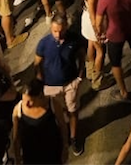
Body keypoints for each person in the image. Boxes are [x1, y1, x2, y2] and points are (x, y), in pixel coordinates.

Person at [33, 15, 85, 157]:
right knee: (57, 115)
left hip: (70, 84)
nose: (58, 34)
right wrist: (40, 83)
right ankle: (63, 139)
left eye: (61, 31)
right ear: (51, 28)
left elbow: (82, 56)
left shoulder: (74, 39)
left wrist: (79, 77)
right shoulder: (43, 44)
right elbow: (37, 64)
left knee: (72, 110)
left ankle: (73, 138)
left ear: (66, 27)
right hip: (50, 87)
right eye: (55, 31)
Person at [11, 78, 66, 165]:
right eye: (24, 99)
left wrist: (65, 148)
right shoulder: (18, 110)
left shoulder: (53, 104)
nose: (26, 104)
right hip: (31, 156)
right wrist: (18, 159)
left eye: (30, 101)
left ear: (40, 96)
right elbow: (16, 138)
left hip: (52, 153)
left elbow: (63, 127)